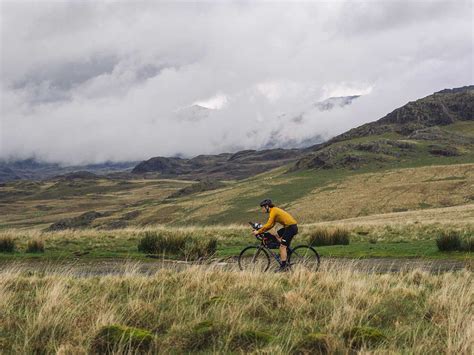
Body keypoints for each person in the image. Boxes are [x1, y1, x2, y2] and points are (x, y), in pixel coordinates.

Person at [253, 199, 298, 271]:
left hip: (290, 228)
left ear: (267, 206)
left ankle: (283, 267)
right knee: (276, 234)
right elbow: (271, 225)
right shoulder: (274, 210)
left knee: (282, 246)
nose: (262, 209)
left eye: (263, 207)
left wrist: (258, 232)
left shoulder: (273, 211)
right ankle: (285, 254)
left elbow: (268, 224)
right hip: (289, 227)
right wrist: (262, 230)